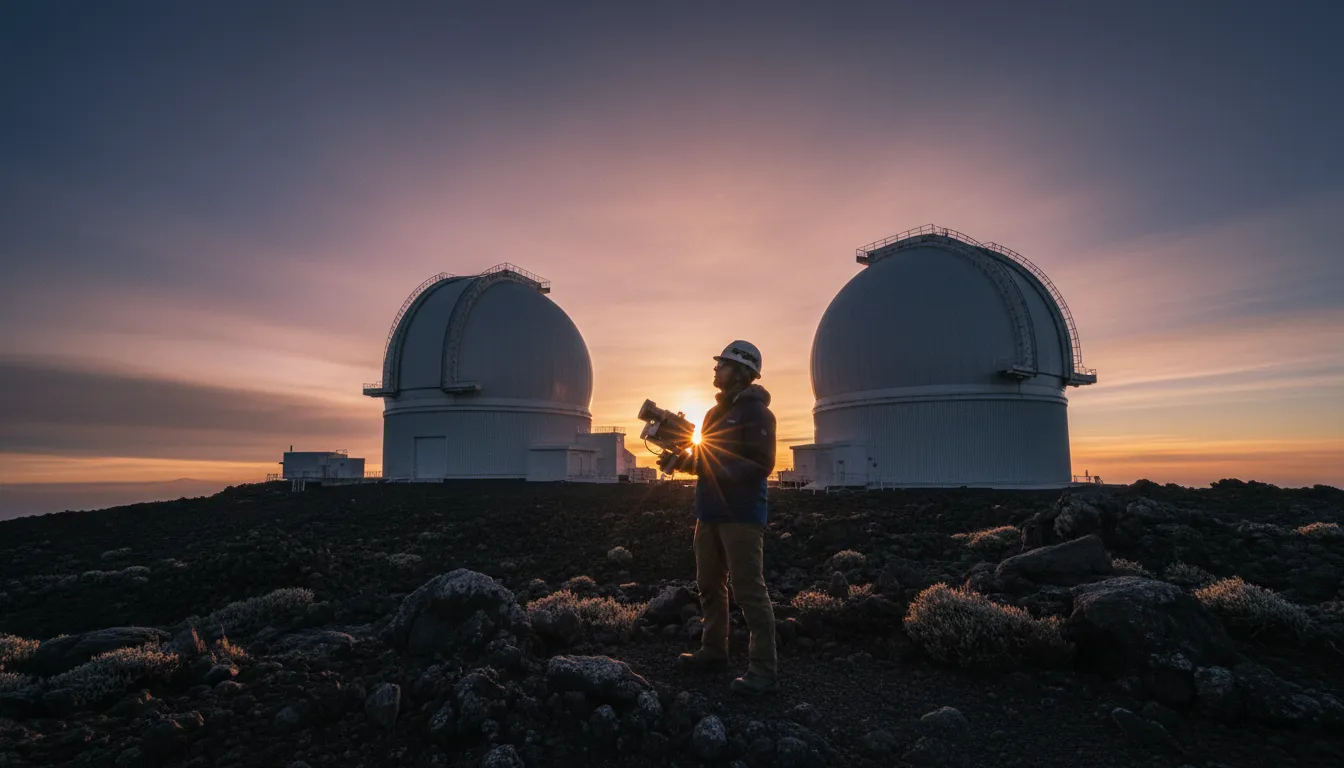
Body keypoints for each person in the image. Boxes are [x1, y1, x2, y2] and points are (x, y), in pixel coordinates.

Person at [659, 340, 778, 694]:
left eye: (722, 364)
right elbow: (707, 461)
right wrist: (682, 462)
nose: (715, 369)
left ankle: (763, 670)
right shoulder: (713, 415)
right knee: (709, 586)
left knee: (748, 591)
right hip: (708, 512)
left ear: (741, 371)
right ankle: (714, 651)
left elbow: (761, 465)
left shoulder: (757, 414)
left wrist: (704, 464)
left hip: (741, 515)